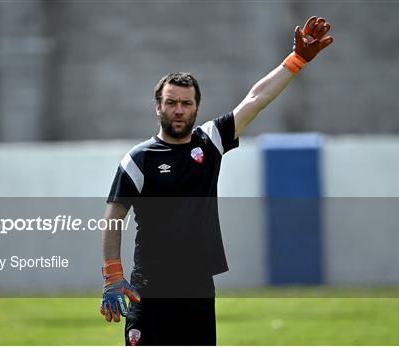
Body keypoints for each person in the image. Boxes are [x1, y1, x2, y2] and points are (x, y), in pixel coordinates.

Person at [100, 16, 333, 346]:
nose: (178, 110)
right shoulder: (138, 159)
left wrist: (294, 62)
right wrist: (113, 275)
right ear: (158, 108)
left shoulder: (208, 142)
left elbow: (255, 99)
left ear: (196, 107)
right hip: (148, 289)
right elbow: (113, 217)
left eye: (186, 103)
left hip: (197, 287)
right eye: (171, 103)